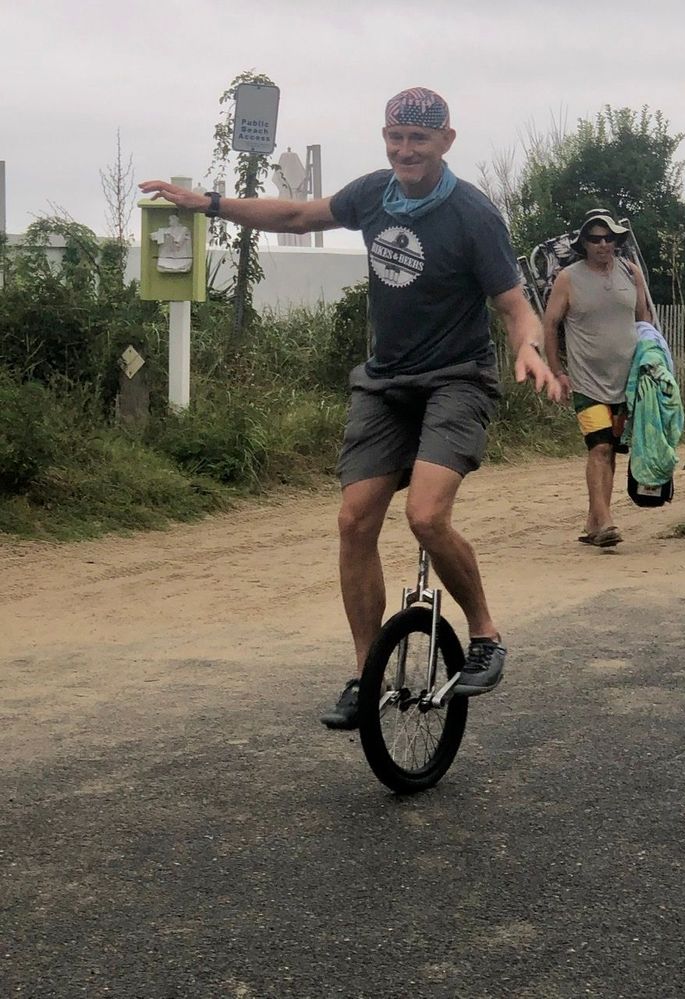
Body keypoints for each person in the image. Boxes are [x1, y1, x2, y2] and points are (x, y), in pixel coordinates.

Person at [140, 86, 560, 730]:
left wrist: (529, 348)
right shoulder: (372, 194)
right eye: (395, 137)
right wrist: (212, 203)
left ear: (446, 141)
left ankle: (484, 635)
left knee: (425, 516)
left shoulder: (473, 216)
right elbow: (297, 217)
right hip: (385, 385)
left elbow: (513, 306)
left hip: (456, 382)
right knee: (353, 521)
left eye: (418, 139)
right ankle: (367, 675)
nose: (404, 150)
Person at [543, 209, 651, 548]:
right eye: (595, 239)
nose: (603, 244)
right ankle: (606, 522)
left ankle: (594, 522)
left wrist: (652, 362)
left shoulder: (631, 273)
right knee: (600, 446)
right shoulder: (568, 279)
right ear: (584, 244)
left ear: (617, 241)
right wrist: (557, 371)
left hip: (627, 382)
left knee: (612, 451)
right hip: (587, 384)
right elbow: (549, 324)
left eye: (609, 238)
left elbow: (644, 318)